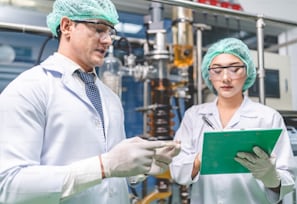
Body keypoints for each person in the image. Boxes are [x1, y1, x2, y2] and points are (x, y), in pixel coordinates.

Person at [0, 0, 180, 203]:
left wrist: (141, 166)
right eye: (99, 29)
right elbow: (10, 186)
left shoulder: (110, 98)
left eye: (110, 32)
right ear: (67, 26)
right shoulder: (28, 89)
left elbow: (112, 173)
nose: (108, 40)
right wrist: (104, 166)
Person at [169, 37, 297, 204]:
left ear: (248, 72)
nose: (225, 78)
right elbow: (177, 168)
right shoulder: (194, 116)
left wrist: (271, 176)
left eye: (234, 69)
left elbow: (288, 177)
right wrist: (200, 159)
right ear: (209, 74)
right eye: (217, 70)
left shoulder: (268, 117)